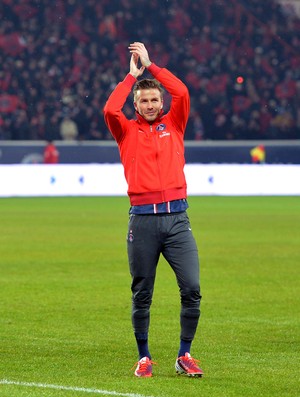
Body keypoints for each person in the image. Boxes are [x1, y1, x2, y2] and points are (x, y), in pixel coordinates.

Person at [103, 42, 203, 378]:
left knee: (191, 288)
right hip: (143, 221)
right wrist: (131, 78)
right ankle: (144, 357)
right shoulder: (126, 131)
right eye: (143, 101)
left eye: (154, 100)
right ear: (137, 104)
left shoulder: (174, 123)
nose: (149, 104)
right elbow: (109, 111)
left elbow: (183, 90)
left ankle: (184, 354)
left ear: (162, 103)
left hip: (177, 220)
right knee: (142, 293)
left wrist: (152, 66)